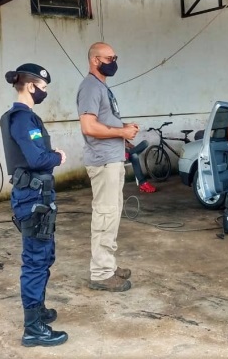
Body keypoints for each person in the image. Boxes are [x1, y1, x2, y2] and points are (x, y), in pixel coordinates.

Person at [0, 63, 68, 347]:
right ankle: (33, 328)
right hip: (32, 198)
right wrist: (57, 157)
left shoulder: (23, 117)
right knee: (35, 260)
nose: (44, 92)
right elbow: (37, 159)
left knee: (44, 255)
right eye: (43, 88)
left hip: (38, 196)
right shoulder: (22, 119)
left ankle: (38, 310)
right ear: (30, 86)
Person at [76, 42, 139, 292]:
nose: (114, 62)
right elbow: (88, 126)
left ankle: (108, 264)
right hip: (103, 162)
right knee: (105, 214)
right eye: (110, 58)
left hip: (112, 159)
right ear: (95, 60)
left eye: (115, 57)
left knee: (111, 214)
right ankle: (101, 273)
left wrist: (123, 131)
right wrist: (121, 132)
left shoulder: (102, 87)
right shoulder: (90, 87)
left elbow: (103, 122)